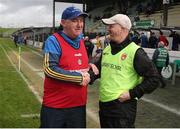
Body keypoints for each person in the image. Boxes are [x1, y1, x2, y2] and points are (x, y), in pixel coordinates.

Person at [88, 14, 160, 128]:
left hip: (122, 108)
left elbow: (154, 78)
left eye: (112, 26)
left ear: (123, 29)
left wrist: (132, 94)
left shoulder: (135, 52)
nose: (108, 29)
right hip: (104, 105)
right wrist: (87, 76)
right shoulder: (107, 49)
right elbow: (99, 69)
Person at [40, 6, 98, 128]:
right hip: (56, 108)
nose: (79, 24)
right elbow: (49, 69)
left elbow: (73, 63)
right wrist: (79, 78)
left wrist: (89, 65)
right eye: (74, 20)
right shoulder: (54, 40)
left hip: (78, 107)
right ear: (63, 23)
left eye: (81, 21)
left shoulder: (81, 42)